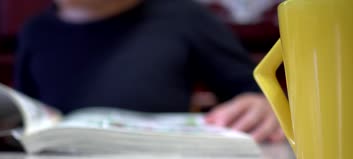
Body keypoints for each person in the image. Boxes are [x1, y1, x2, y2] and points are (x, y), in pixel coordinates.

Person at [15, 0, 284, 142]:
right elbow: (27, 114)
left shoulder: (184, 16)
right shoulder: (35, 30)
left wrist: (261, 106)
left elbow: (254, 91)